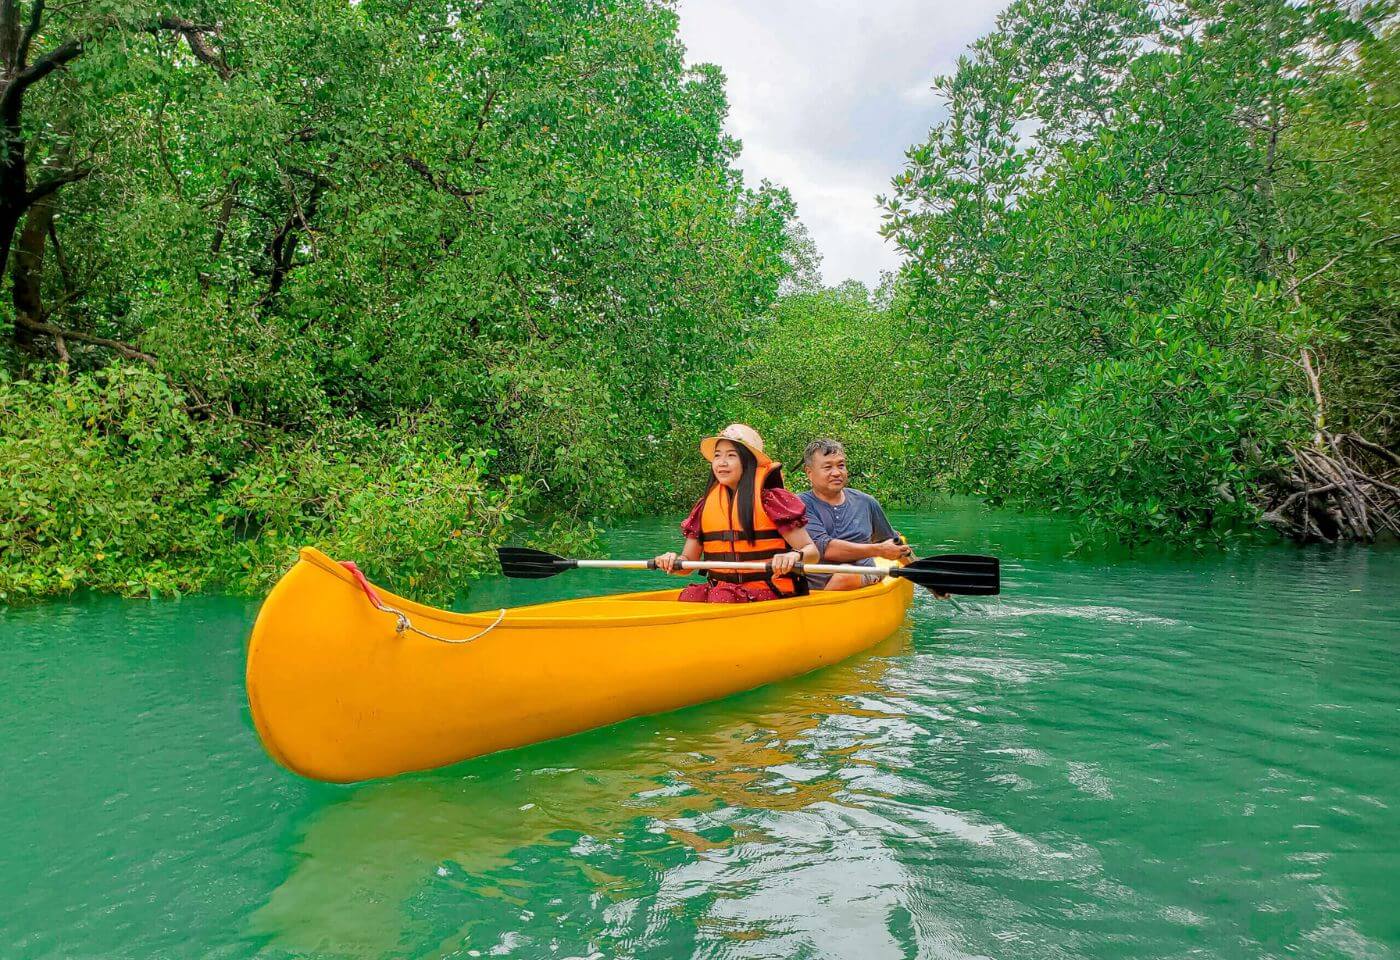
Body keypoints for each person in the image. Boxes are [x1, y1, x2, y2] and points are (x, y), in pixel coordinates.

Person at [654, 424, 819, 603]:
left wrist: (794, 556)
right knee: (691, 596)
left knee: (721, 596)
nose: (721, 462)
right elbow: (687, 563)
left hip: (769, 591)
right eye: (717, 455)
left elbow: (812, 552)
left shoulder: (771, 500)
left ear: (747, 462)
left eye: (731, 455)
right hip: (724, 592)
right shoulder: (705, 506)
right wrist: (671, 561)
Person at [799, 438, 912, 591]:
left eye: (841, 465)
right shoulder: (799, 505)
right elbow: (826, 549)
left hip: (860, 574)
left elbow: (891, 541)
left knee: (844, 576)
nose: (837, 473)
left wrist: (921, 574)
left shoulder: (866, 502)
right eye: (827, 467)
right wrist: (879, 549)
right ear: (809, 472)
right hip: (815, 584)